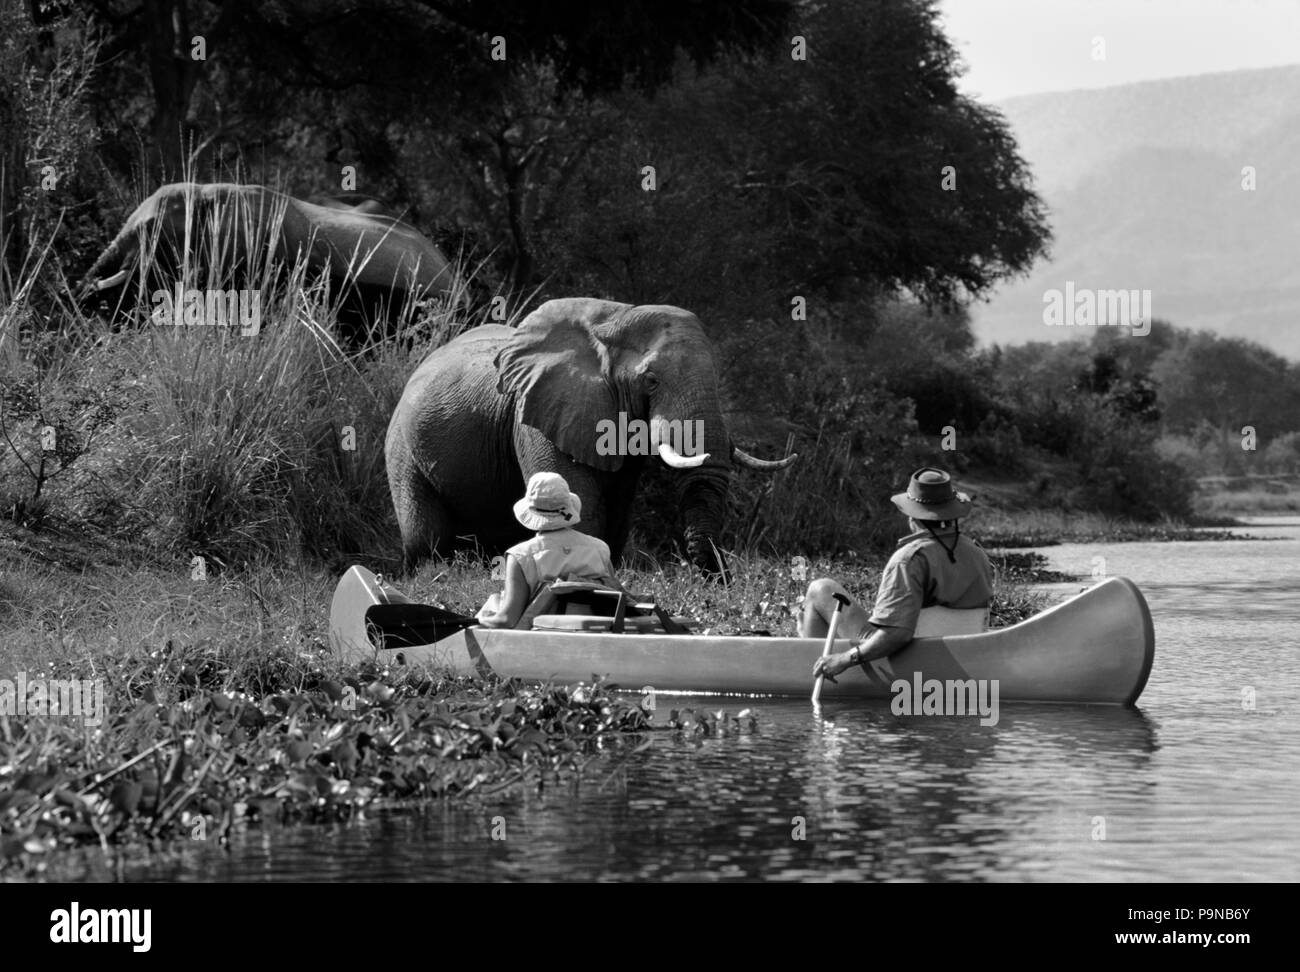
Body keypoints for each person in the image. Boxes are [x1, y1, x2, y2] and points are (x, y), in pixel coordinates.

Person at [801, 467, 993, 682]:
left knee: (821, 589)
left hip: (912, 657)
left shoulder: (909, 559)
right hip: (963, 655)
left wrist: (847, 658)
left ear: (912, 517)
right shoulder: (977, 552)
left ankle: (814, 672)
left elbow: (897, 634)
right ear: (952, 514)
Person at [476, 472, 621, 628]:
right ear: (569, 507)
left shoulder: (520, 556)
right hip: (596, 634)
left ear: (531, 513)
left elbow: (506, 620)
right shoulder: (600, 549)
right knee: (495, 599)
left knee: (493, 602)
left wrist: (478, 620)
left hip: (540, 639)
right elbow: (614, 598)